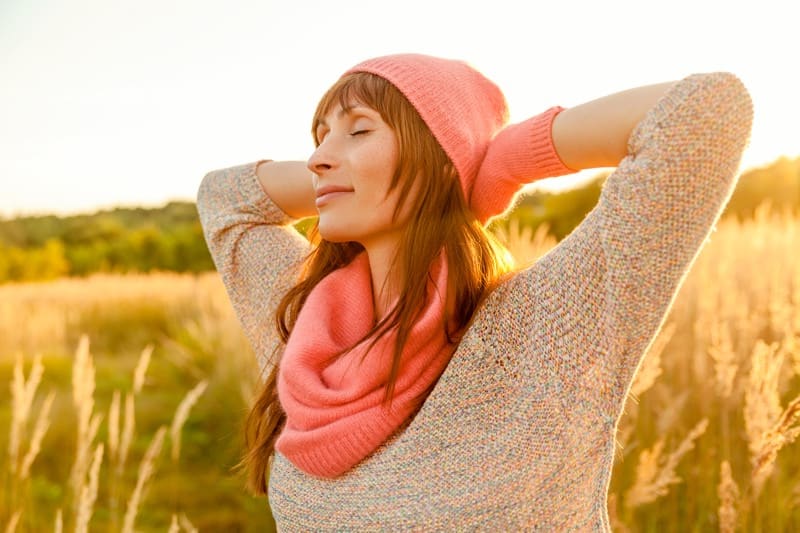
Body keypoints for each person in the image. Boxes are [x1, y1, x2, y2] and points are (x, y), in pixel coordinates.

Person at [196, 53, 753, 530]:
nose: (318, 157)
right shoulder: (310, 333)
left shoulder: (546, 324)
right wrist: (351, 172)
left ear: (441, 158)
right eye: (320, 136)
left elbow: (705, 109)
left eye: (359, 129)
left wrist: (502, 162)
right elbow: (225, 199)